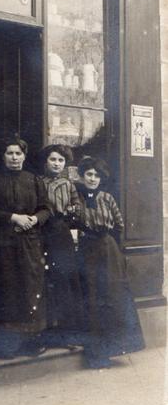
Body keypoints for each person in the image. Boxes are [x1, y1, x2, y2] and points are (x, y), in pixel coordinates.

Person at [75, 156, 145, 368]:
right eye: (89, 174)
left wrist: (110, 246)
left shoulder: (107, 198)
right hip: (85, 250)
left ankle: (113, 347)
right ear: (82, 175)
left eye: (97, 175)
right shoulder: (75, 197)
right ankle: (95, 353)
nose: (93, 179)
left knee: (112, 296)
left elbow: (119, 225)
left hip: (107, 250)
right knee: (92, 297)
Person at [0, 135, 50, 358]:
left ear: (24, 156)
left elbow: (45, 208)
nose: (14, 157)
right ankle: (8, 345)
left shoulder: (33, 180)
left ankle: (31, 341)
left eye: (18, 153)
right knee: (8, 289)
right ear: (3, 156)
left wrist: (35, 219)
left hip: (30, 242)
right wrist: (14, 217)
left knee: (31, 288)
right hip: (4, 242)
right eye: (10, 153)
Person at [38, 144, 84, 346]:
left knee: (64, 279)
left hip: (61, 233)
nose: (56, 164)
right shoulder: (37, 182)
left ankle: (66, 330)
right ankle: (44, 329)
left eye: (60, 160)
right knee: (42, 279)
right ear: (46, 161)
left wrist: (73, 211)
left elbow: (78, 209)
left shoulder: (69, 185)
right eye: (52, 159)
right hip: (40, 232)